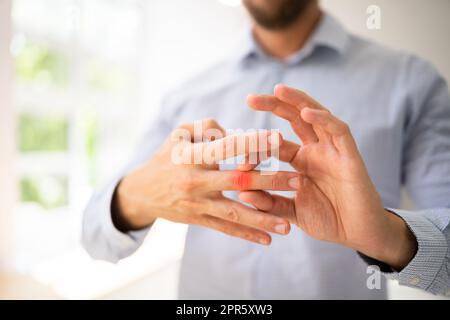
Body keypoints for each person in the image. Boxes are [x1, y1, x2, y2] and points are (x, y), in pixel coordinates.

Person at [82, 0, 450, 299]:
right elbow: (96, 237)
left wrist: (388, 235)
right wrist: (137, 197)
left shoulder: (411, 83)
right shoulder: (186, 95)